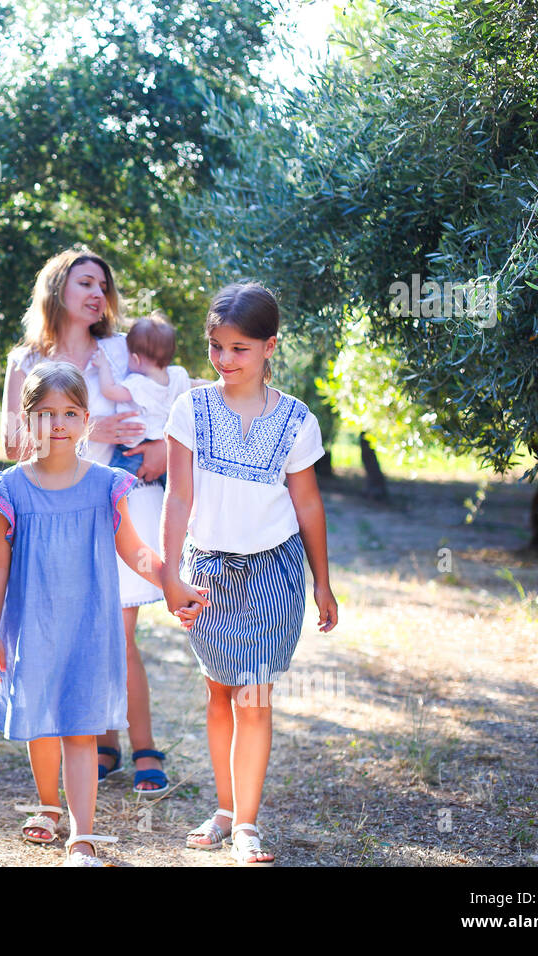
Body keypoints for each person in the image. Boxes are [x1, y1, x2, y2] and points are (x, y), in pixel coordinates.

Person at [0, 362, 206, 866]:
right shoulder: (9, 490)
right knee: (40, 724)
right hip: (31, 628)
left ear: (85, 420)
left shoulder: (107, 485)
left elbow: (136, 552)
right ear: (26, 419)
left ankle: (82, 837)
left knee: (80, 728)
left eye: (68, 413)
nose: (56, 424)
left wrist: (173, 582)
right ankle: (46, 806)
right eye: (43, 414)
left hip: (89, 628)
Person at [160, 282, 338, 866]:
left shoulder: (296, 420)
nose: (224, 360)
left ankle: (246, 824)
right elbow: (177, 497)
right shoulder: (190, 409)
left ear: (269, 347)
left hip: (274, 573)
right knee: (219, 693)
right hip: (207, 570)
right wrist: (169, 576)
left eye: (239, 348)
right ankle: (223, 806)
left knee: (254, 699)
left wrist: (323, 581)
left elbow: (308, 504)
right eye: (215, 347)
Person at [0, 247, 177, 796]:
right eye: (84, 282)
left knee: (117, 637)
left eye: (103, 284)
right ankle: (100, 743)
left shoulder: (124, 351)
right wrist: (87, 430)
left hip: (120, 508)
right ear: (57, 290)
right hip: (54, 516)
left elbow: (174, 414)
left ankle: (143, 743)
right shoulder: (25, 362)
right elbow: (10, 442)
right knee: (74, 636)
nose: (97, 293)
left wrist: (160, 457)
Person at [91, 313, 191, 490]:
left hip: (136, 447)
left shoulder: (139, 384)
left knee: (114, 488)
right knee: (176, 488)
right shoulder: (178, 375)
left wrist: (103, 366)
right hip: (166, 448)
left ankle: (112, 514)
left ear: (135, 359)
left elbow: (110, 391)